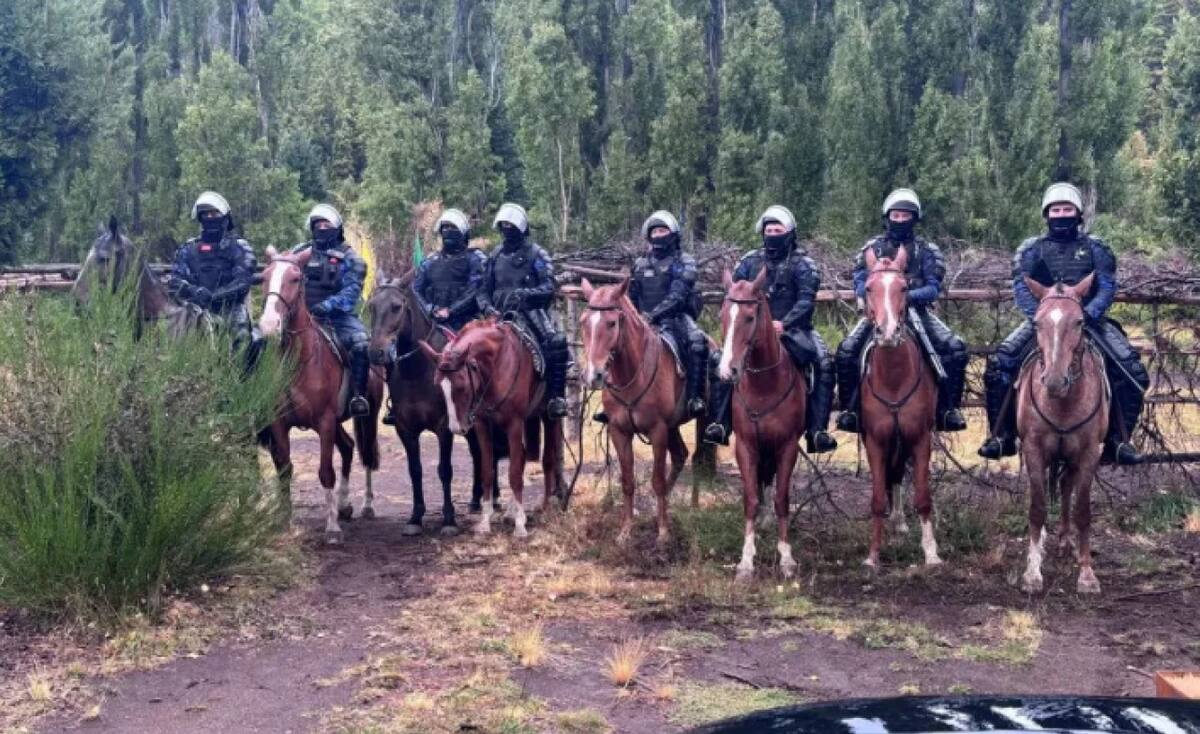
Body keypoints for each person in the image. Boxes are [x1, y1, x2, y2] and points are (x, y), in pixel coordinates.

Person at [977, 182, 1148, 466]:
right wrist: (1041, 316)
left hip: (1089, 321)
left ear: (1078, 213)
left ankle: (1118, 440)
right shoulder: (1031, 250)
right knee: (1000, 364)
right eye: (1056, 210)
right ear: (1047, 214)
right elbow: (1021, 287)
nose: (1061, 214)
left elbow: (1106, 286)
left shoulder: (1096, 248)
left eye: (1067, 209)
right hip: (1044, 321)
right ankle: (1002, 436)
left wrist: (1086, 314)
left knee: (1132, 370)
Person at [703, 205, 838, 453]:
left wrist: (784, 323)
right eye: (769, 230)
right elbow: (735, 293)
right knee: (721, 361)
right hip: (750, 331)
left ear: (789, 232)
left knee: (823, 362)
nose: (773, 234)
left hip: (795, 330)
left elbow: (806, 301)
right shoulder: (749, 261)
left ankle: (817, 430)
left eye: (778, 230)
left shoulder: (804, 264)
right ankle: (720, 423)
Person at [834, 188, 968, 434]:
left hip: (917, 313)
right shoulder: (871, 249)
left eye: (906, 216)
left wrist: (904, 297)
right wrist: (881, 298)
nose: (900, 220)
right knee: (846, 351)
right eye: (896, 215)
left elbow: (933, 288)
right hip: (877, 314)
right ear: (887, 217)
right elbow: (860, 283)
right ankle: (850, 410)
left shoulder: (927, 250)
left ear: (914, 219)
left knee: (955, 348)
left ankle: (948, 410)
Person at [594, 210, 707, 423]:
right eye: (654, 232)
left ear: (673, 234)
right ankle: (610, 402)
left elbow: (678, 295)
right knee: (616, 341)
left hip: (677, 318)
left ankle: (695, 398)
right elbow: (633, 296)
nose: (658, 235)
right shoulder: (640, 264)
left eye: (662, 231)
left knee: (697, 342)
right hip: (642, 320)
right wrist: (635, 318)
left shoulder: (684, 261)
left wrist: (653, 316)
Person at [381, 207, 489, 425]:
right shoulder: (430, 261)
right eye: (445, 228)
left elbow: (476, 288)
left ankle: (485, 402)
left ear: (463, 232)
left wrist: (452, 310)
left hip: (467, 321)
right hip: (433, 321)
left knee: (481, 355)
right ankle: (396, 403)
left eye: (453, 228)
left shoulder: (475, 258)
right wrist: (430, 308)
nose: (448, 232)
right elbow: (417, 288)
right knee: (397, 352)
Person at [478, 203, 569, 419]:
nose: (507, 229)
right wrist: (488, 309)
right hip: (498, 315)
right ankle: (476, 401)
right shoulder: (494, 256)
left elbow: (549, 286)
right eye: (504, 225)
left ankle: (556, 398)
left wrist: (527, 294)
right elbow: (482, 291)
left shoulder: (537, 254)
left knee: (555, 343)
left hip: (530, 313)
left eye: (511, 225)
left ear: (521, 227)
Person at [290, 204, 372, 417]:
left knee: (361, 343)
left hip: (338, 318)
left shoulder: (352, 258)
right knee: (265, 340)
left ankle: (358, 396)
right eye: (318, 225)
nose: (322, 228)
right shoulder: (299, 252)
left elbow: (351, 292)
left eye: (327, 225)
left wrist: (326, 306)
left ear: (337, 228)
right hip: (301, 315)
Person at [166, 191, 258, 354]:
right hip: (195, 307)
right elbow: (175, 281)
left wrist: (214, 296)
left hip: (230, 308)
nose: (210, 217)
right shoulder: (188, 249)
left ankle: (242, 370)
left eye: (215, 214)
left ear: (225, 218)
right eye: (206, 214)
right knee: (172, 334)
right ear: (200, 218)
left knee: (243, 339)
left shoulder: (239, 247)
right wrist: (194, 291)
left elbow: (243, 282)